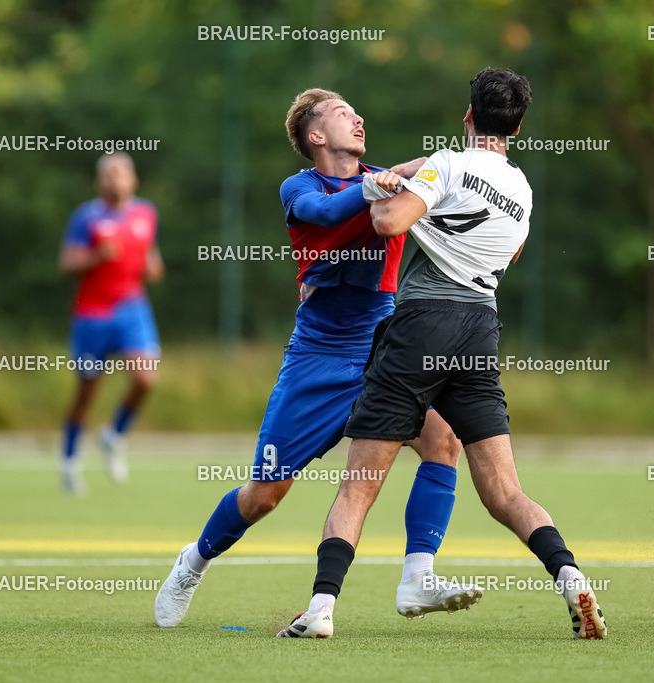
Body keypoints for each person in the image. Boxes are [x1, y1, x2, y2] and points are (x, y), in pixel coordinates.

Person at [279, 68, 608, 640]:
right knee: (505, 491)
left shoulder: (448, 163)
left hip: (422, 325)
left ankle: (322, 609)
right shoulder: (523, 188)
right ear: (518, 126)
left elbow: (386, 222)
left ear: (467, 117)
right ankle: (570, 575)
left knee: (360, 479)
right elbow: (511, 253)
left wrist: (403, 190)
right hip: (480, 329)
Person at [154, 88, 479, 629]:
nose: (359, 117)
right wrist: (373, 186)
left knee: (443, 442)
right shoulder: (300, 187)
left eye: (357, 110)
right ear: (315, 136)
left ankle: (418, 577)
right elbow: (325, 212)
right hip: (319, 358)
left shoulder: (385, 178)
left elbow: (430, 166)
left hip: (382, 349)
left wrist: (468, 157)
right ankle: (194, 560)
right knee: (265, 494)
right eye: (342, 113)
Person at [58, 152, 163, 495]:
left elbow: (152, 259)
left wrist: (152, 268)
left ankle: (113, 435)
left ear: (133, 180)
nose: (116, 180)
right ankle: (70, 461)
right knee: (87, 392)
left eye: (122, 174)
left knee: (145, 378)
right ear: (99, 181)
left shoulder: (146, 213)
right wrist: (95, 257)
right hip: (92, 314)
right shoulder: (86, 217)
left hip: (131, 308)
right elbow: (67, 263)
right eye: (109, 175)